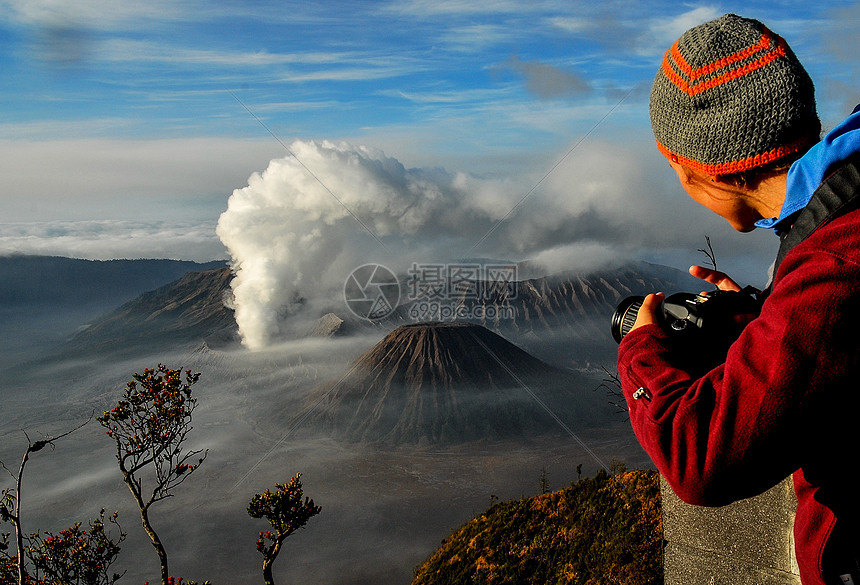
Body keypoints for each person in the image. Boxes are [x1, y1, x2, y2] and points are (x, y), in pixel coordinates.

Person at [618, 13, 860, 585]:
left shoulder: (835, 261)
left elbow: (699, 458)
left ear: (698, 167)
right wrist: (769, 314)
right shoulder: (839, 211)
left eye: (670, 163)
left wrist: (642, 349)